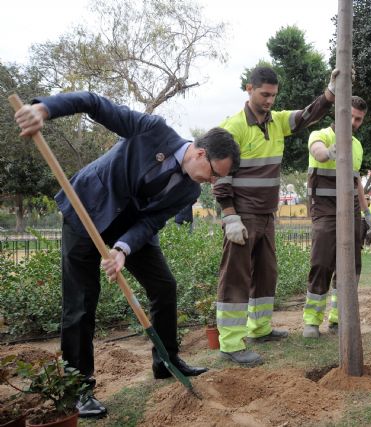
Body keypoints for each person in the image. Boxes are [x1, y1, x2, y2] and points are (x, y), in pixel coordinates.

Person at [13, 91, 241, 418]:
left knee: (164, 285)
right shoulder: (152, 130)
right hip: (87, 209)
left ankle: (165, 359)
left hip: (131, 228)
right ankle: (79, 389)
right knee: (80, 301)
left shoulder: (189, 190)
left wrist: (122, 248)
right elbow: (94, 103)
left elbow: (151, 221)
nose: (212, 182)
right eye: (214, 173)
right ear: (201, 153)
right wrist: (44, 110)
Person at [213, 66, 340, 365]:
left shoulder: (277, 122)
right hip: (242, 216)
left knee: (266, 273)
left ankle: (260, 328)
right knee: (235, 277)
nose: (269, 100)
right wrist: (230, 216)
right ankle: (230, 344)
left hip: (266, 215)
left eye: (273, 95)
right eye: (264, 94)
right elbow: (219, 176)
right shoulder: (233, 128)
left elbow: (308, 115)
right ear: (249, 89)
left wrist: (330, 93)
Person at [302, 96, 371, 338]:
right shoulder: (320, 135)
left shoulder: (357, 146)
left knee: (352, 264)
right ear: (339, 113)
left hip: (351, 208)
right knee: (322, 262)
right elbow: (318, 152)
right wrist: (331, 152)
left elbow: (357, 181)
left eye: (359, 119)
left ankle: (340, 318)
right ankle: (312, 321)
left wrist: (366, 212)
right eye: (351, 116)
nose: (354, 122)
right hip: (324, 209)